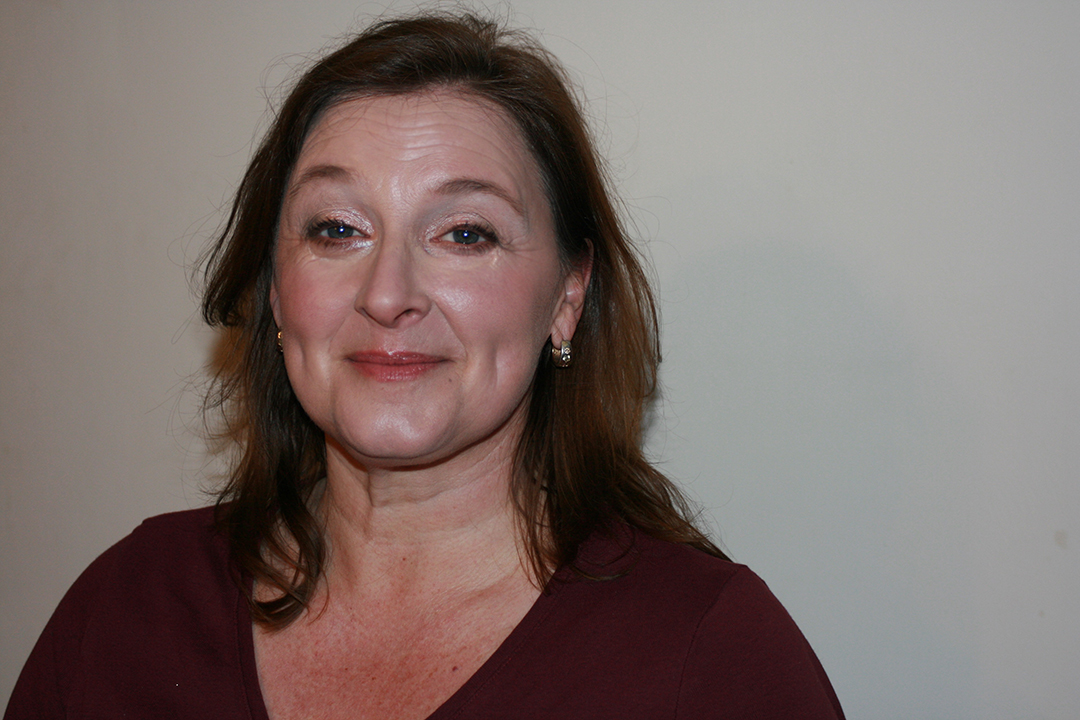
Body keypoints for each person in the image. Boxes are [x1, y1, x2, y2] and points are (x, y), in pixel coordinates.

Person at [5, 12, 845, 719]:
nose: (388, 294)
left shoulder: (711, 658)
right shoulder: (126, 608)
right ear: (275, 290)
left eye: (465, 233)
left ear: (567, 295)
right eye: (337, 229)